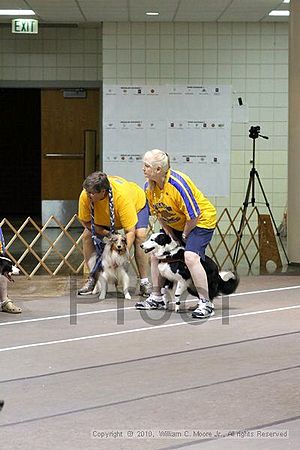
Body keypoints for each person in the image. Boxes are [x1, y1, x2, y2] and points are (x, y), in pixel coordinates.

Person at [135, 149, 217, 318]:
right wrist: (170, 235)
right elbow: (159, 214)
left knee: (191, 257)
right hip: (176, 223)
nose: (143, 169)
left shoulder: (178, 184)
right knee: (155, 254)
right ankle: (157, 297)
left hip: (200, 221)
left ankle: (206, 303)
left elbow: (194, 215)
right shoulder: (148, 187)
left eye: (147, 166)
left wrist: (184, 236)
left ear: (158, 169)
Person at [77, 171, 151, 296]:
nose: (88, 195)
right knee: (87, 235)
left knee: (140, 235)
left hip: (136, 205)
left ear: (103, 192)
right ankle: (92, 279)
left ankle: (144, 282)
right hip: (104, 216)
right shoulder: (86, 195)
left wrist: (120, 253)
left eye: (92, 193)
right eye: (87, 192)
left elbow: (130, 231)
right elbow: (86, 223)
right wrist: (107, 233)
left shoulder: (122, 196)